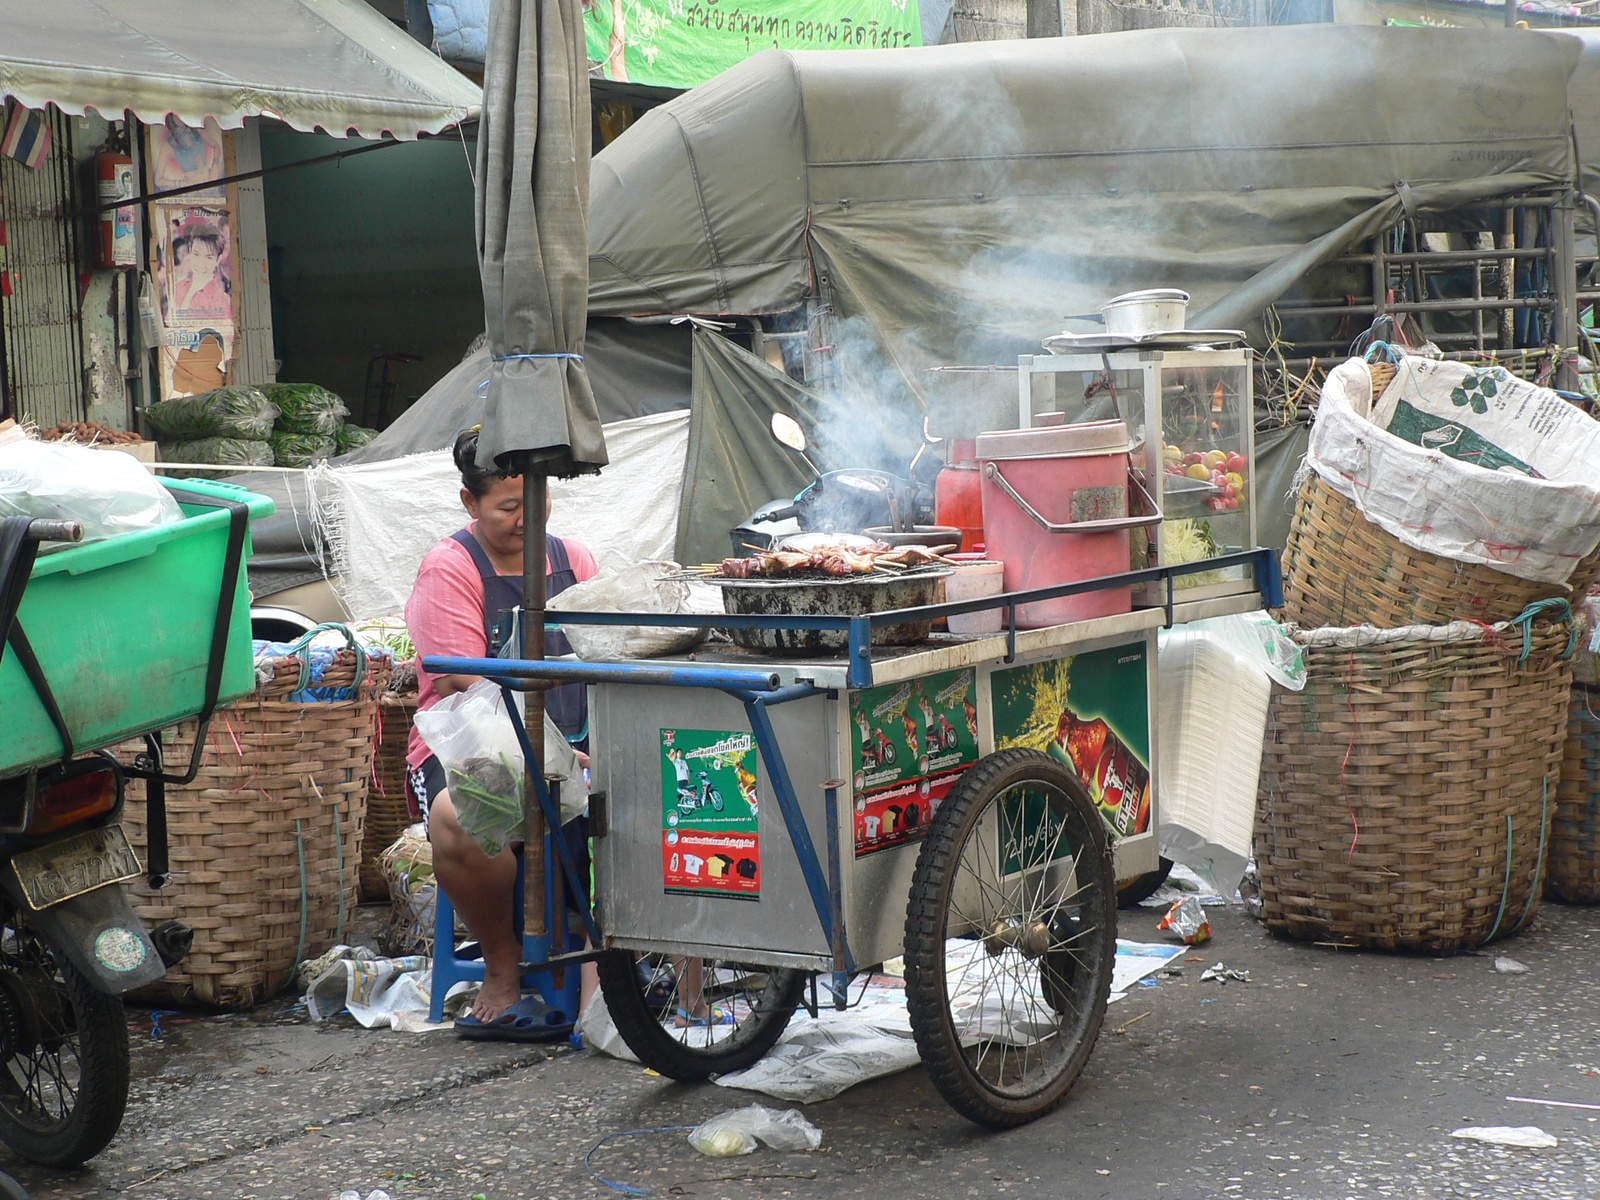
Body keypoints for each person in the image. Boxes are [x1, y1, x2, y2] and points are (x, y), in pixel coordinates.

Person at [405, 427, 599, 1035]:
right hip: (473, 743)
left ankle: (608, 961)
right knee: (459, 816)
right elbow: (463, 682)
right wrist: (560, 755)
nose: (526, 519)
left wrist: (590, 748)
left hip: (580, 740)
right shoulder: (450, 567)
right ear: (471, 503)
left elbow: (606, 650)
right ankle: (501, 963)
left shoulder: (576, 561)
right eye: (509, 507)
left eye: (536, 504)